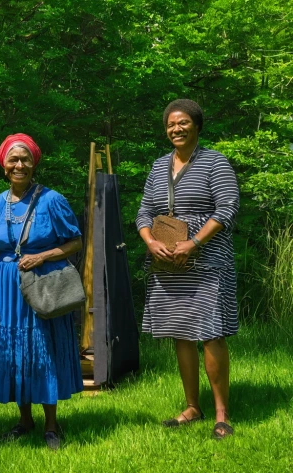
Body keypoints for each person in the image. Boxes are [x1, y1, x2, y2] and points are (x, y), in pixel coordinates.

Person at [136, 99, 239, 439]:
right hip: (167, 262)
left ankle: (221, 413)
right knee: (181, 332)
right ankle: (192, 406)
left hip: (207, 261)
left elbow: (227, 209)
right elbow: (143, 214)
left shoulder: (214, 162)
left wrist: (193, 243)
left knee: (210, 333)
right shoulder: (158, 166)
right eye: (170, 124)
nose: (175, 129)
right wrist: (152, 242)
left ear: (197, 125)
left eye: (182, 123)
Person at [0, 133, 83, 450]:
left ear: (34, 162)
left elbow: (75, 241)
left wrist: (43, 255)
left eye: (25, 159)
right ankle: (25, 420)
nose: (19, 164)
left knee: (42, 348)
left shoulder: (52, 200)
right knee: (14, 349)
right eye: (13, 159)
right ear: (4, 165)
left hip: (42, 285)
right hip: (7, 288)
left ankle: (51, 425)